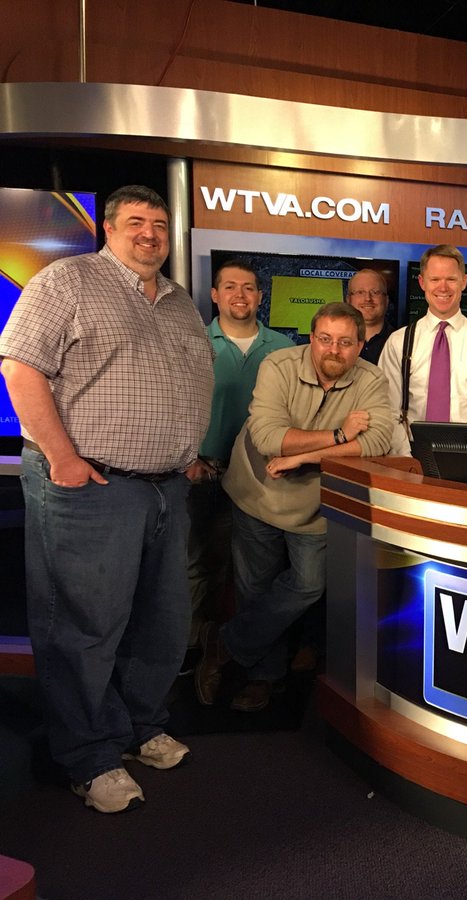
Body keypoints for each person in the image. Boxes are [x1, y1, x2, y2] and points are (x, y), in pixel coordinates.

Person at [0, 185, 213, 813]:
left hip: (166, 490)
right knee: (83, 628)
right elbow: (18, 367)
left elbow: (181, 384)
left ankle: (140, 727)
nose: (150, 233)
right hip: (90, 487)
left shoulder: (179, 303)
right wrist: (62, 457)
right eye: (136, 222)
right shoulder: (66, 281)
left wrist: (187, 452)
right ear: (108, 228)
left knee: (161, 622)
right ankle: (88, 755)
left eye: (159, 223)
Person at [195, 302, 393, 712]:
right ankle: (264, 678)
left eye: (344, 342)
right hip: (256, 492)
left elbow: (377, 444)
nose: (332, 350)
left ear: (360, 346)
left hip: (314, 506)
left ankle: (225, 641)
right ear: (311, 339)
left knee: (308, 586)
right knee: (256, 589)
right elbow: (268, 438)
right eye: (324, 339)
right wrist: (339, 436)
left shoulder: (373, 379)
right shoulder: (278, 365)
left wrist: (301, 457)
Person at [185, 259, 292, 658]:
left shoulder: (284, 348)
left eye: (248, 287)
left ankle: (241, 655)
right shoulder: (193, 341)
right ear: (214, 295)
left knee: (256, 574)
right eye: (230, 287)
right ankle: (194, 651)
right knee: (196, 566)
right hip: (203, 472)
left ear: (260, 296)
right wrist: (188, 458)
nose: (240, 295)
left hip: (263, 476)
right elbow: (175, 406)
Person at [378, 245, 467, 455]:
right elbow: (389, 410)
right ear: (422, 282)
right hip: (408, 456)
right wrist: (406, 458)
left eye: (451, 279)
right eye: (435, 279)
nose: (443, 288)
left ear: (463, 282)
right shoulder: (398, 342)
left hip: (466, 457)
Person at [345, 268, 394, 365]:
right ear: (348, 300)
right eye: (360, 292)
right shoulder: (334, 343)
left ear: (386, 300)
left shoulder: (403, 342)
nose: (368, 298)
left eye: (375, 292)